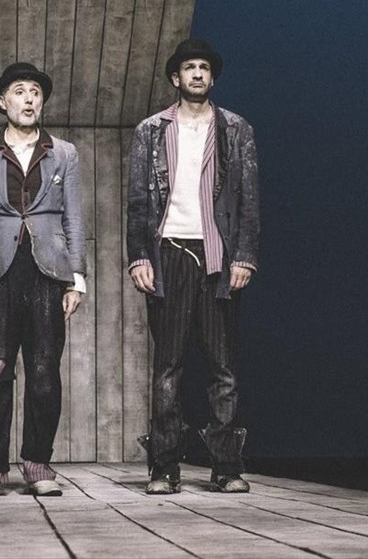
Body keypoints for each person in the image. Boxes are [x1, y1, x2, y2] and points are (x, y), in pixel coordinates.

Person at [127, 38, 260, 494]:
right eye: (189, 67)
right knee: (168, 366)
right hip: (168, 252)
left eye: (204, 67)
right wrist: (139, 256)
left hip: (218, 256)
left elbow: (249, 199)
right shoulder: (150, 130)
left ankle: (226, 467)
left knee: (223, 367)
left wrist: (244, 256)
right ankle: (164, 467)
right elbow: (138, 201)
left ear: (212, 77)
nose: (198, 74)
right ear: (175, 77)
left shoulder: (235, 129)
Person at [0, 62, 86, 498]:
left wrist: (77, 279)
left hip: (47, 272)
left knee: (45, 372)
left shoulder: (64, 152)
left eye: (35, 91)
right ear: (2, 101)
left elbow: (73, 218)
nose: (29, 98)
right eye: (19, 91)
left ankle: (37, 464)